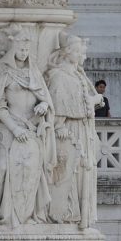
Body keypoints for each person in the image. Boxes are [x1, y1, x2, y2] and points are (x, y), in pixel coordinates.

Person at [0, 24, 56, 227]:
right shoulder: (0, 70)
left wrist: (43, 105)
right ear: (13, 49)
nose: (23, 54)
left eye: (26, 50)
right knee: (2, 168)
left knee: (32, 170)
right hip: (7, 127)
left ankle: (27, 214)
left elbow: (46, 99)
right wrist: (14, 128)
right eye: (20, 50)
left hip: (30, 128)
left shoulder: (33, 72)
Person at [45, 34, 103, 229]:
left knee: (81, 172)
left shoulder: (77, 75)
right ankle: (65, 213)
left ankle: (77, 215)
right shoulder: (59, 76)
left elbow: (79, 102)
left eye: (82, 52)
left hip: (82, 130)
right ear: (67, 51)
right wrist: (93, 101)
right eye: (77, 51)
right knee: (69, 173)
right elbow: (59, 107)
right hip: (70, 132)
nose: (81, 56)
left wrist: (92, 100)